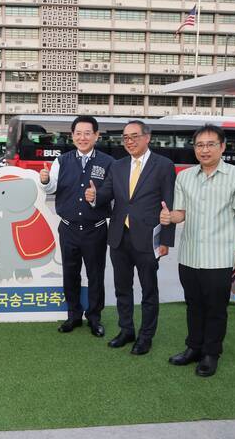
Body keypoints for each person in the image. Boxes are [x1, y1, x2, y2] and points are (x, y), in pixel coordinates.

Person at [161, 124, 235, 377]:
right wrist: (171, 217)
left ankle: (211, 354)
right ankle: (193, 348)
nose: (204, 150)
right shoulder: (185, 177)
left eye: (211, 144)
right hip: (190, 255)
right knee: (193, 305)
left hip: (221, 256)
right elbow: (181, 213)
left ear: (222, 147)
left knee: (215, 308)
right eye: (199, 145)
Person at [85, 120, 176, 355]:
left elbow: (169, 203)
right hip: (118, 236)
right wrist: (95, 196)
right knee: (122, 288)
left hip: (147, 237)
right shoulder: (118, 165)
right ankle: (127, 330)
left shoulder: (163, 165)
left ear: (147, 137)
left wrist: (165, 240)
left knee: (149, 290)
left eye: (134, 136)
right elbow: (107, 192)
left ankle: (146, 337)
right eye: (125, 138)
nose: (129, 142)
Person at [40, 116, 114, 337]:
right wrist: (44, 180)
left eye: (87, 133)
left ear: (96, 136)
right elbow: (51, 186)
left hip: (96, 229)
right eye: (78, 133)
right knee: (70, 273)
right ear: (72, 136)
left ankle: (94, 317)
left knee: (95, 275)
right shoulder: (61, 161)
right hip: (69, 228)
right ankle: (73, 315)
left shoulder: (109, 162)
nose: (83, 137)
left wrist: (97, 196)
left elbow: (112, 193)